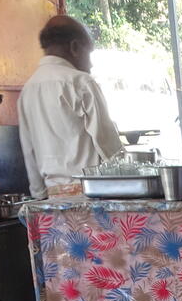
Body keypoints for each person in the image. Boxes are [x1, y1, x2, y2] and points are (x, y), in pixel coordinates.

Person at [18, 15, 123, 198]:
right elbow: (108, 146)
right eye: (89, 54)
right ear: (75, 47)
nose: (91, 64)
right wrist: (129, 180)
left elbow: (29, 150)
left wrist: (39, 196)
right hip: (91, 194)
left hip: (54, 198)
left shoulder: (28, 89)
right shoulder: (81, 82)